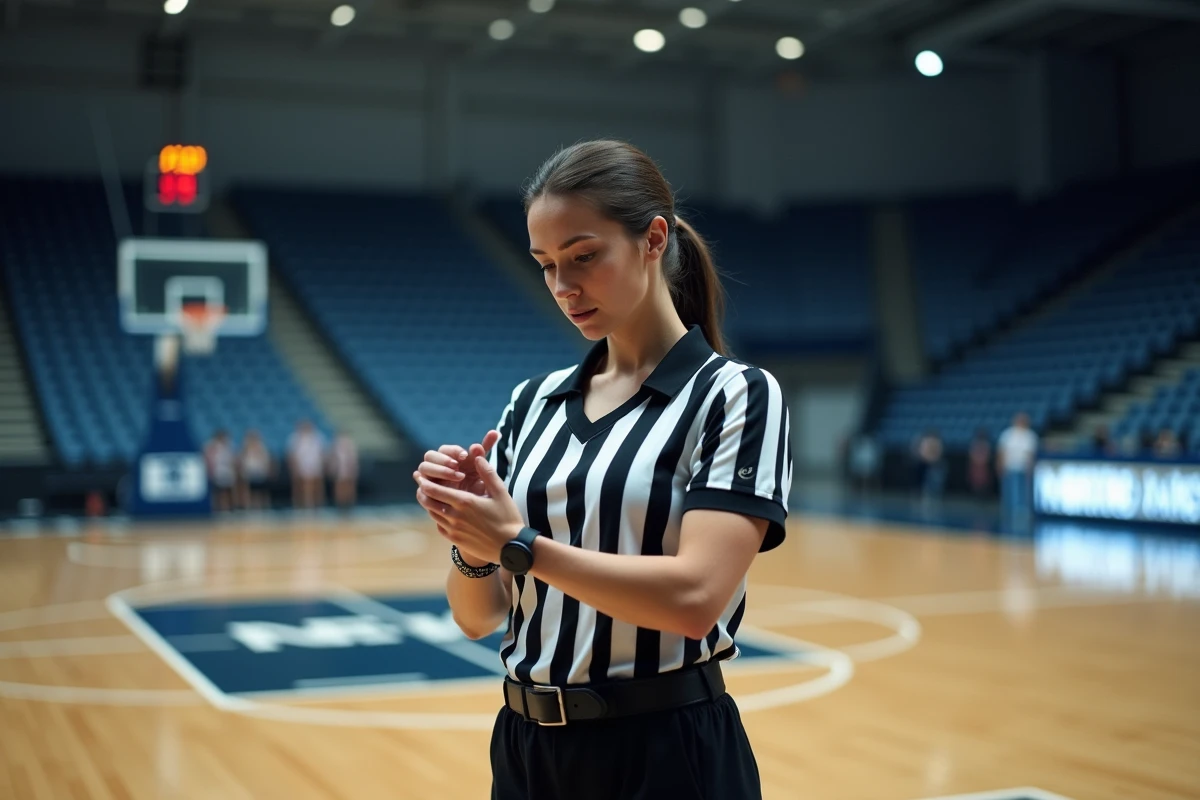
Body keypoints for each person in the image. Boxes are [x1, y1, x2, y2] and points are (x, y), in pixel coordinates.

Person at [412, 139, 792, 800]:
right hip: (528, 750)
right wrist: (470, 540)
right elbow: (477, 618)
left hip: (664, 751)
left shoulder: (736, 394)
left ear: (652, 239)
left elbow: (696, 599)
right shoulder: (531, 403)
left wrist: (520, 545)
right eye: (545, 265)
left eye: (585, 257)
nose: (564, 287)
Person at [996, 411, 1039, 529]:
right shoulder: (1007, 434)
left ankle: (1022, 513)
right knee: (1010, 491)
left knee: (1023, 492)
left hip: (1023, 468)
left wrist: (1030, 468)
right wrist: (1000, 465)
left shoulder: (1030, 436)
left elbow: (1031, 455)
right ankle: (1009, 512)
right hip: (1010, 467)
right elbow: (1002, 452)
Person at [287, 419, 326, 510]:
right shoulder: (295, 438)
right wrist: (294, 466)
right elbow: (292, 454)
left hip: (315, 466)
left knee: (316, 487)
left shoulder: (318, 437)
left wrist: (322, 465)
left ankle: (317, 506)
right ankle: (300, 505)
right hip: (301, 466)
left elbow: (322, 453)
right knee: (301, 487)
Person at [237, 429, 274, 510]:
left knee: (261, 491)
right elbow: (241, 462)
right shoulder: (244, 449)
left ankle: (263, 507)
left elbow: (267, 460)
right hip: (248, 474)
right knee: (248, 491)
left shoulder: (262, 448)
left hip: (260, 473)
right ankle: (249, 507)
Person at [203, 429, 237, 513]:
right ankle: (217, 508)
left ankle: (227, 508)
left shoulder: (229, 446)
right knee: (217, 492)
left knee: (227, 491)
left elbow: (232, 459)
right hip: (216, 472)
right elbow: (208, 459)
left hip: (227, 471)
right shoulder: (211, 446)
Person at [327, 430, 359, 510]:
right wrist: (333, 468)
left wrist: (352, 469)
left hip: (348, 469)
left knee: (349, 487)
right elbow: (333, 457)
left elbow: (353, 459)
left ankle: (348, 504)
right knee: (339, 487)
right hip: (339, 468)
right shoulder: (335, 445)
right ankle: (340, 504)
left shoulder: (350, 445)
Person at [967, 427, 992, 499]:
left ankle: (983, 496)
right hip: (976, 465)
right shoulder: (974, 443)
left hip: (983, 465)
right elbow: (972, 455)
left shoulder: (986, 444)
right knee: (975, 481)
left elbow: (987, 455)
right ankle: (976, 495)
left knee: (984, 480)